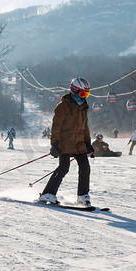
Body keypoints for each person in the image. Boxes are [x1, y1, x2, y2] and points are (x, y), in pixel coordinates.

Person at [38, 77, 94, 206]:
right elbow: (56, 126)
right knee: (64, 167)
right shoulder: (62, 107)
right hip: (65, 144)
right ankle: (48, 193)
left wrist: (88, 143)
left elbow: (85, 127)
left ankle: (82, 195)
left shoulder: (84, 107)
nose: (84, 97)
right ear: (74, 91)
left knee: (85, 167)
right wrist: (54, 144)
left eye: (86, 94)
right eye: (82, 94)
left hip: (79, 144)